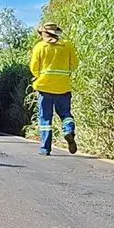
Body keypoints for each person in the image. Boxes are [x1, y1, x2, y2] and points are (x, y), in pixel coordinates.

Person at [30, 22, 79, 156]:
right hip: (63, 87)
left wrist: (39, 76)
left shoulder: (40, 47)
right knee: (66, 114)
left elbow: (34, 67)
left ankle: (45, 148)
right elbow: (74, 64)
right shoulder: (67, 45)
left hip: (44, 88)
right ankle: (68, 131)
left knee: (45, 118)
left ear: (43, 34)